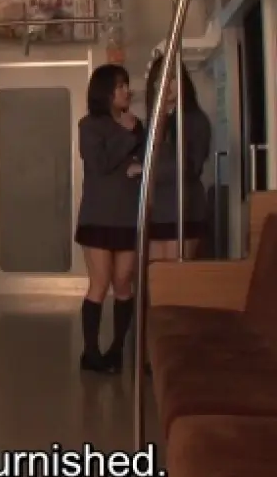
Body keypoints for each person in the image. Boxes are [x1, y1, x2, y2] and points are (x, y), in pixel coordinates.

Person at [75, 64, 146, 373]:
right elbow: (100, 164)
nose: (126, 90)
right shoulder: (89, 125)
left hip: (128, 214)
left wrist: (135, 160)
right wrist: (126, 135)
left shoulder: (137, 125)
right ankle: (90, 353)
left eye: (127, 85)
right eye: (120, 86)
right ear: (105, 91)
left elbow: (143, 160)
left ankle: (117, 349)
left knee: (123, 283)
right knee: (100, 283)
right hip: (98, 216)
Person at [144, 56, 211, 260]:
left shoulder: (195, 119)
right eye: (160, 79)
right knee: (155, 273)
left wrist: (147, 170)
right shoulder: (153, 121)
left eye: (172, 77)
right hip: (155, 210)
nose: (166, 84)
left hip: (184, 207)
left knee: (176, 272)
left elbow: (190, 167)